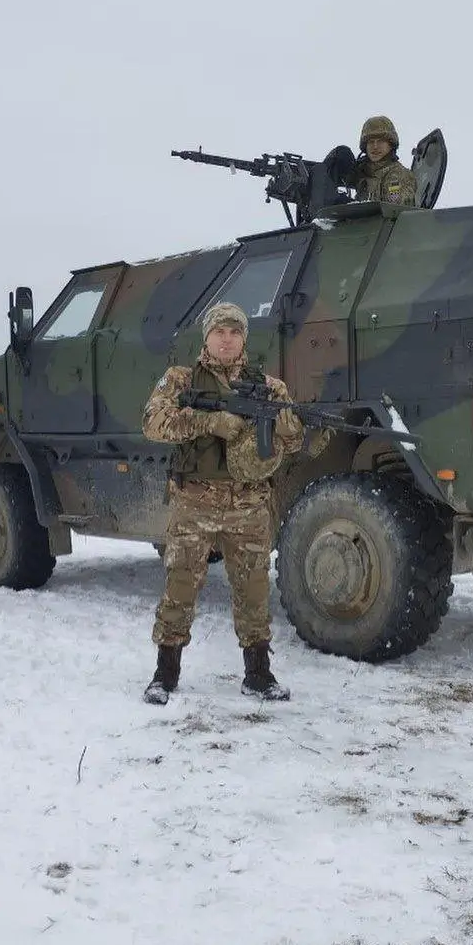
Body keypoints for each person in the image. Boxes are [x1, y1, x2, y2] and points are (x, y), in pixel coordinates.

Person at [141, 302, 304, 705]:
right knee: (181, 584)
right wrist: (208, 422)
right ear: (207, 337)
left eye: (235, 333)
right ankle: (165, 673)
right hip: (194, 501)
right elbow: (152, 423)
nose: (227, 340)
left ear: (244, 339)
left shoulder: (269, 387)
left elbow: (293, 442)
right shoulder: (180, 379)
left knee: (253, 589)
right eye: (220, 332)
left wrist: (286, 426)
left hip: (249, 504)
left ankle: (259, 674)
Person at [351, 115, 417, 207]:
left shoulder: (398, 175)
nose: (375, 146)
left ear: (390, 145)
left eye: (380, 141)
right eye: (371, 142)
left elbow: (394, 211)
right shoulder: (364, 172)